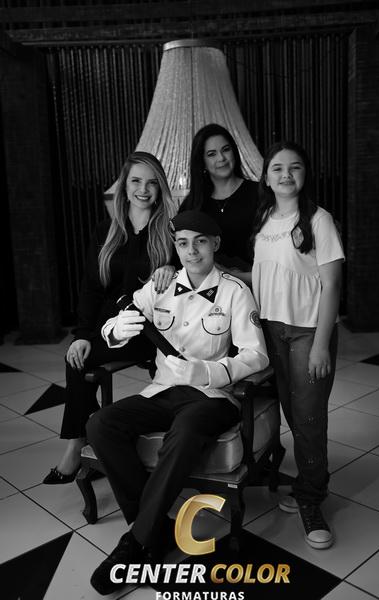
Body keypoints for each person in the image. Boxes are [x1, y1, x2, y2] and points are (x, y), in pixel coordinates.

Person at [87, 210, 268, 595]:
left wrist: (208, 372)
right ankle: (153, 529)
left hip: (213, 396)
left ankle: (136, 542)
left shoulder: (235, 291)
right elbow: (119, 320)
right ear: (175, 246)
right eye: (183, 243)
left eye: (200, 242)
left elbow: (256, 356)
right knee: (100, 423)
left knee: (186, 428)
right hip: (162, 391)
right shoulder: (160, 285)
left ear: (215, 244)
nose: (191, 251)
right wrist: (115, 330)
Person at [43, 151, 176, 484]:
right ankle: (79, 442)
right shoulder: (106, 230)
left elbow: (189, 277)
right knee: (77, 358)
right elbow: (91, 288)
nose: (143, 190)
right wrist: (82, 335)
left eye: (151, 183)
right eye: (136, 181)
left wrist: (171, 269)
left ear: (160, 188)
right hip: (107, 326)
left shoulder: (170, 231)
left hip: (148, 331)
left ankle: (100, 439)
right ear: (124, 186)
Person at [252, 141, 344, 550]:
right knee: (292, 412)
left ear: (305, 174)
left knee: (308, 419)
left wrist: (322, 344)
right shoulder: (264, 219)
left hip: (308, 332)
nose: (286, 174)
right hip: (272, 330)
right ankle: (310, 480)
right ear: (266, 176)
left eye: (295, 167)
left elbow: (332, 284)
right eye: (277, 168)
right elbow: (269, 272)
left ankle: (311, 498)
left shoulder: (319, 220)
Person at [179, 123, 259, 284]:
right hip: (209, 291)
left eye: (226, 150)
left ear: (234, 152)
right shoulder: (192, 204)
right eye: (211, 154)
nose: (221, 158)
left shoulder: (259, 193)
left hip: (258, 286)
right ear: (202, 162)